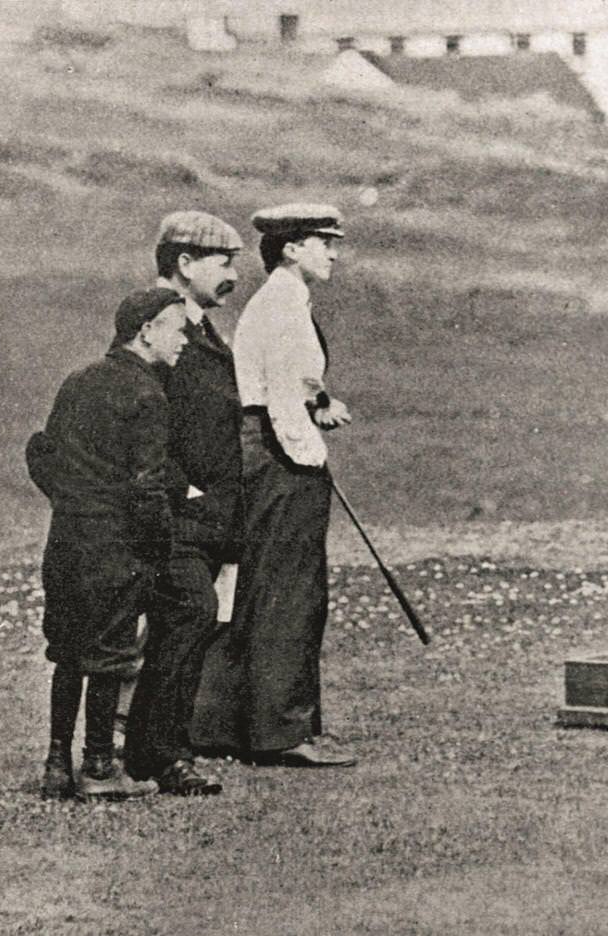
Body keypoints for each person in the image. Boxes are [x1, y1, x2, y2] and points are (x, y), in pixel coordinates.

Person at [191, 203, 357, 767]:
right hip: (280, 460)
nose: (333, 252)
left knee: (257, 588)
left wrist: (321, 404)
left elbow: (297, 385)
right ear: (290, 248)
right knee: (289, 595)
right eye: (322, 241)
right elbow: (283, 402)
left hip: (267, 452)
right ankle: (283, 733)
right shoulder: (283, 306)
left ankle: (219, 726)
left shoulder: (284, 303)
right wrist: (310, 456)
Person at [26, 288, 189, 800]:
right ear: (146, 330)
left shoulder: (79, 381)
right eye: (177, 327)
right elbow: (147, 487)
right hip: (116, 548)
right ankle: (98, 767)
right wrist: (157, 550)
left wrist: (74, 503)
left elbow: (42, 455)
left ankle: (57, 765)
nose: (184, 338)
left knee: (69, 652)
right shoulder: (147, 394)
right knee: (110, 656)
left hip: (68, 540)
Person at [123, 212, 244, 796]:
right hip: (172, 516)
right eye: (224, 262)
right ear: (184, 264)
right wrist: (184, 489)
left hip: (207, 515)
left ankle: (158, 748)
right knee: (189, 615)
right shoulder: (157, 329)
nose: (234, 276)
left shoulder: (202, 331)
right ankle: (163, 754)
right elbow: (135, 414)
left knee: (190, 623)